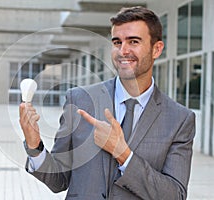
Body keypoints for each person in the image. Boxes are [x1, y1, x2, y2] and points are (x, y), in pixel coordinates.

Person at [19, 6, 195, 200]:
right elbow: (58, 179)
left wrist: (124, 154)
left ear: (157, 49)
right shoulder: (79, 100)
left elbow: (175, 195)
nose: (123, 51)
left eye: (133, 41)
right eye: (117, 42)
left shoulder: (179, 119)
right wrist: (35, 145)